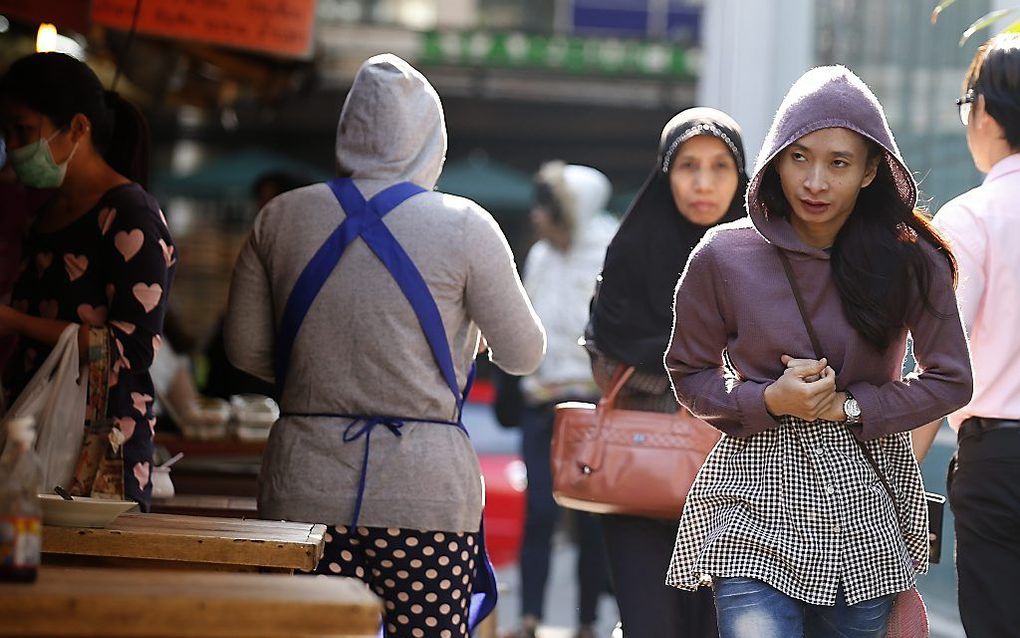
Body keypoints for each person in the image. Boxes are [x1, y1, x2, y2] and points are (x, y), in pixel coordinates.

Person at [223, 54, 545, 638]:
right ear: (432, 141)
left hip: (302, 489)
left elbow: (243, 349)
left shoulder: (281, 217)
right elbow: (523, 354)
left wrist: (321, 374)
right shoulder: (466, 225)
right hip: (424, 498)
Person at [664, 66, 973, 638]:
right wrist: (767, 400)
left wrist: (850, 407)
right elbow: (689, 372)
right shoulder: (723, 256)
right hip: (750, 504)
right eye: (799, 157)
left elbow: (951, 382)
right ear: (776, 157)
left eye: (838, 163)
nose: (814, 181)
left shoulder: (910, 261)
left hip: (863, 512)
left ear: (870, 170)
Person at [585, 107, 748, 637]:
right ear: (664, 172)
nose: (704, 182)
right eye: (687, 166)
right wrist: (710, 373)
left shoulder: (766, 256)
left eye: (721, 166)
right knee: (649, 625)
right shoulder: (631, 249)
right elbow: (607, 353)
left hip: (743, 488)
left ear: (742, 174)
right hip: (640, 473)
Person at [0, 52, 174, 509]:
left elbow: (131, 348)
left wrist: (14, 322)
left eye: (22, 130)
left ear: (78, 128)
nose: (13, 146)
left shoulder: (131, 217)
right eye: (6, 133)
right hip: (27, 442)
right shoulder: (43, 217)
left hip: (102, 456)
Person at [910, 33, 1020, 637]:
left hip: (1000, 464)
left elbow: (941, 367)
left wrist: (895, 476)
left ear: (982, 111)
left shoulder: (970, 218)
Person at [514, 161, 617, 638]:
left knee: (591, 519)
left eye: (548, 208)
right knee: (539, 510)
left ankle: (587, 622)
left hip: (594, 407)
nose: (538, 217)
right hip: (541, 406)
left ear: (571, 211)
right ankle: (530, 617)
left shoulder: (612, 250)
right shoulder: (538, 256)